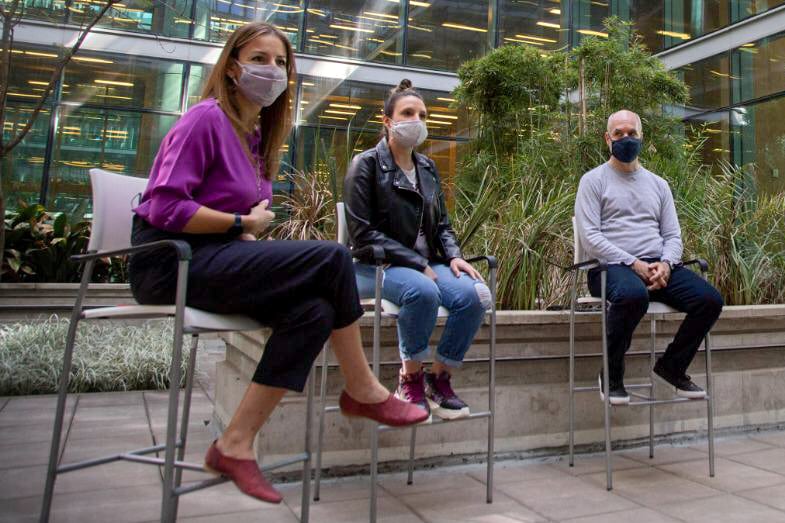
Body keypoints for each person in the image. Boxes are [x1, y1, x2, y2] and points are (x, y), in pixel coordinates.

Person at [128, 23, 428, 504]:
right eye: (260, 59)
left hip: (215, 256)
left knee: (314, 311)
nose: (273, 70)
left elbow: (235, 216)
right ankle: (362, 388)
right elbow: (165, 207)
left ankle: (235, 443)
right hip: (168, 261)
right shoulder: (206, 119)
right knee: (333, 257)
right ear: (232, 68)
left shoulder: (256, 137)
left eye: (282, 62)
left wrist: (240, 229)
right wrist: (239, 222)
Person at [343, 79, 492, 421]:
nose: (417, 121)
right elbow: (362, 234)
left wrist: (454, 255)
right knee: (423, 292)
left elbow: (441, 223)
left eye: (422, 115)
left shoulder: (426, 167)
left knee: (475, 295)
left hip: (426, 263)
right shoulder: (365, 165)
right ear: (387, 121)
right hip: (377, 265)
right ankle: (408, 380)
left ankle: (437, 379)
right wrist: (415, 262)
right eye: (408, 113)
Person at [575, 109, 724, 405]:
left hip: (656, 266)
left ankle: (672, 366)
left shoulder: (658, 184)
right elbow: (590, 237)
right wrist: (634, 263)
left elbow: (673, 236)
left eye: (632, 133)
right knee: (633, 295)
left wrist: (666, 264)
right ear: (607, 139)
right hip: (609, 267)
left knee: (709, 300)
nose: (626, 138)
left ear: (641, 137)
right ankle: (612, 375)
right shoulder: (593, 181)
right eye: (619, 134)